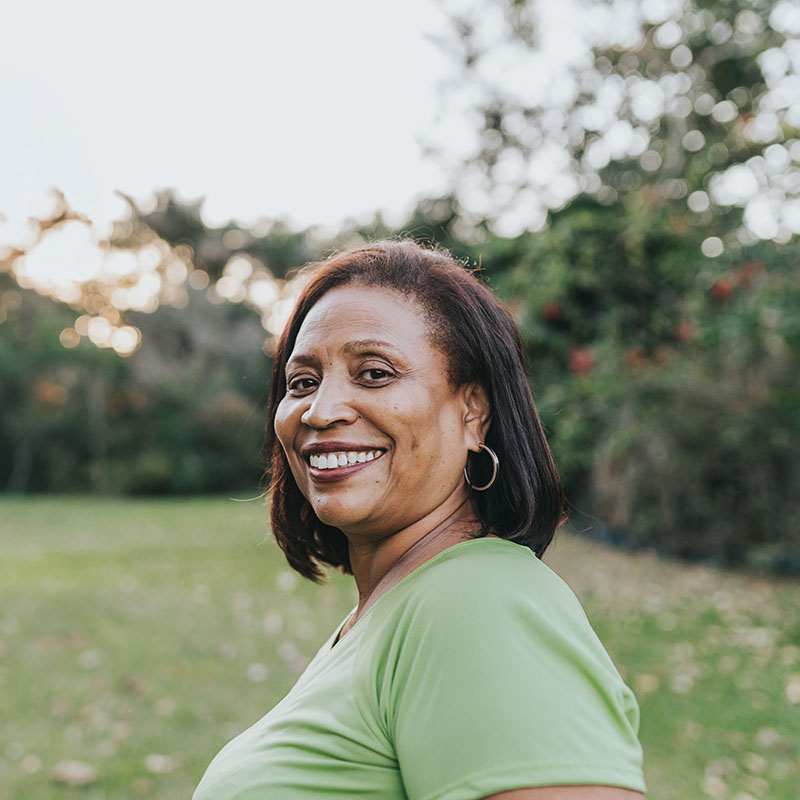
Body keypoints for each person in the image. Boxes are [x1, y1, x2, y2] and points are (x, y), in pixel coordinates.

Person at [193, 240, 646, 799]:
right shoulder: (391, 610)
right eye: (302, 381)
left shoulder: (477, 603)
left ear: (473, 412)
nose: (320, 409)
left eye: (375, 373)